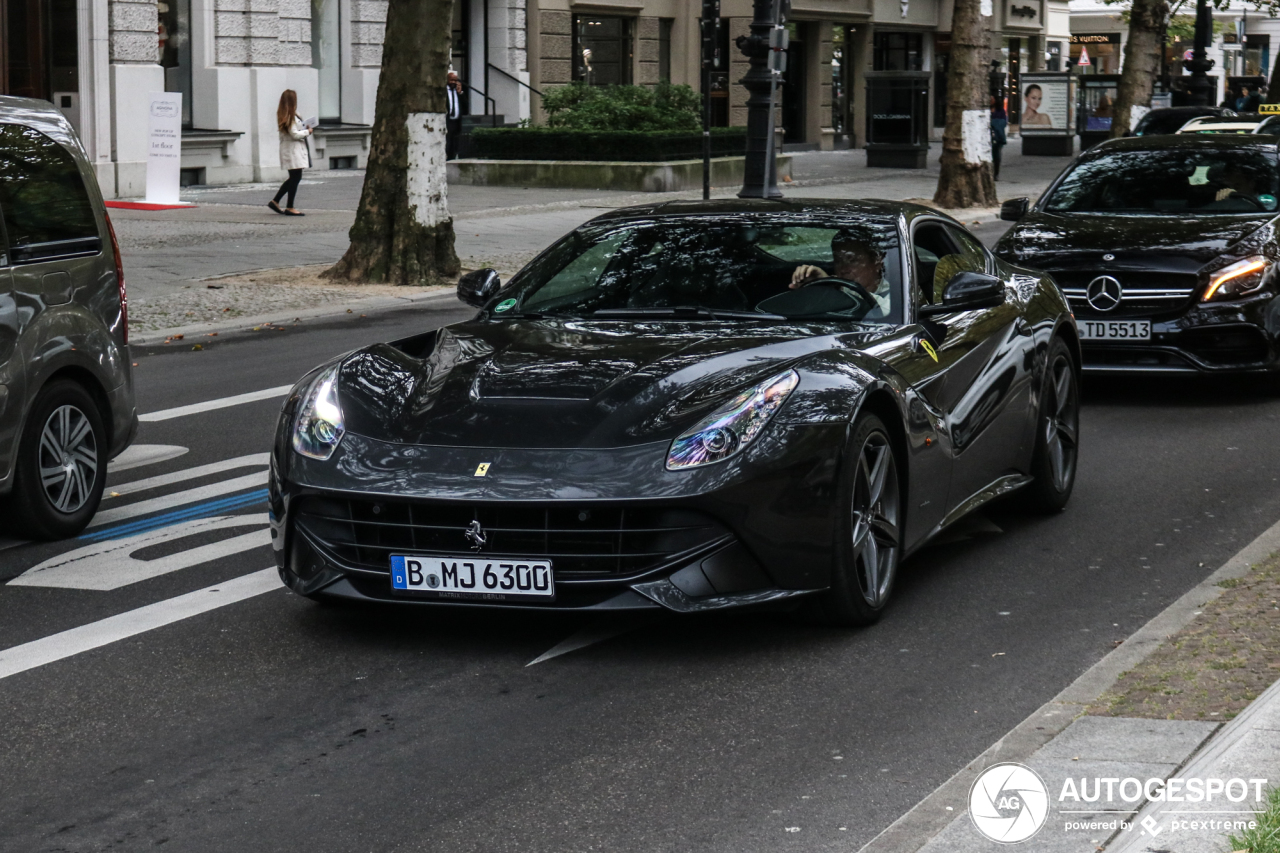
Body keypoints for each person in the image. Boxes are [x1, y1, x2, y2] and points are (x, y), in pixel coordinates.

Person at [789, 232, 891, 314]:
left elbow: (884, 310)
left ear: (877, 262)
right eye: (838, 261)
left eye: (853, 261)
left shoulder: (897, 294)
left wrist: (836, 289)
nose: (843, 269)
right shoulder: (836, 288)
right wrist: (814, 290)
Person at [268, 89, 311, 216]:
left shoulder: (289, 115)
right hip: (293, 150)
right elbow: (294, 134)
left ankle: (276, 201)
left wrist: (305, 127)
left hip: (293, 149)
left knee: (294, 177)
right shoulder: (289, 116)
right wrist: (308, 132)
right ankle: (289, 206)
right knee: (295, 177)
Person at [445, 71, 463, 160]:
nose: (453, 82)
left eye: (455, 80)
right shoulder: (444, 92)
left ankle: (452, 158)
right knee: (447, 144)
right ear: (447, 80)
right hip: (447, 122)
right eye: (451, 80)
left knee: (455, 144)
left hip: (456, 122)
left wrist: (460, 93)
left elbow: (465, 106)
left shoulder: (458, 92)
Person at [991, 95, 1008, 181]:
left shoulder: (1000, 111)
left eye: (992, 98)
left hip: (998, 136)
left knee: (996, 155)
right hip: (989, 136)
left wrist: (992, 123)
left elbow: (1003, 122)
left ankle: (996, 173)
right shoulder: (986, 110)